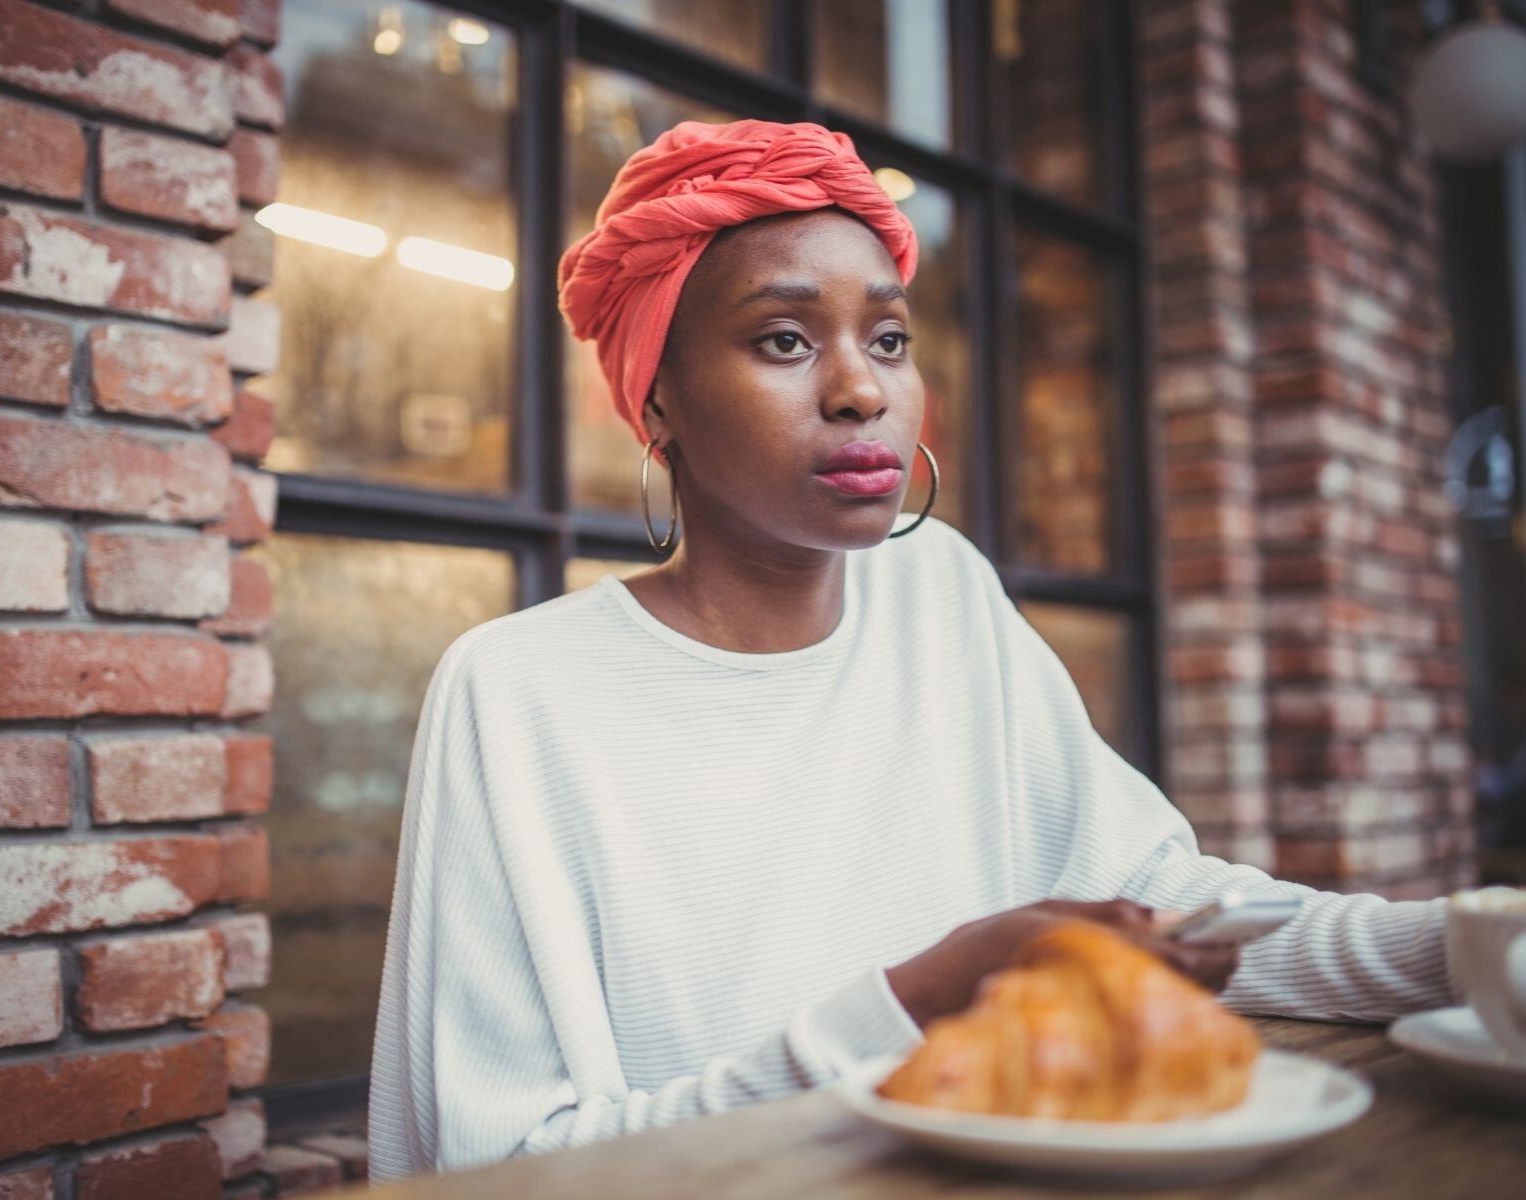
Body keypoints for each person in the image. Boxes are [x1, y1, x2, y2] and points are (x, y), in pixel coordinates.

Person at [367, 119, 1455, 1180]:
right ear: (658, 400)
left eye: (888, 339)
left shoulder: (946, 595)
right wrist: (918, 1000)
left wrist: (1459, 950)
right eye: (784, 340)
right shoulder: (519, 692)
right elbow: (498, 1162)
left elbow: (1155, 908)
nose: (862, 391)